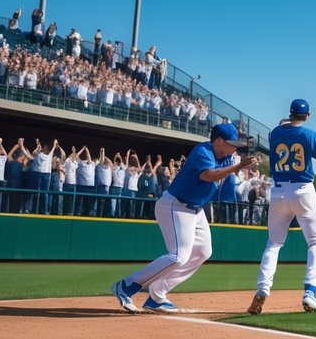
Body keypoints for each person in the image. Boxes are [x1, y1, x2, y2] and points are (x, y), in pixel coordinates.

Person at [110, 123, 259, 313]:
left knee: (203, 252)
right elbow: (208, 176)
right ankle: (126, 286)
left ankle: (157, 295)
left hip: (195, 210)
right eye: (232, 143)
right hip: (175, 205)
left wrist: (238, 165)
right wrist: (237, 166)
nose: (235, 147)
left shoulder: (226, 157)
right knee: (178, 256)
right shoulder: (203, 150)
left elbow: (225, 188)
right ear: (219, 141)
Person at [246, 100, 316, 315]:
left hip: (277, 192)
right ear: (306, 116)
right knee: (315, 241)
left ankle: (262, 289)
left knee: (274, 243)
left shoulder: (275, 133)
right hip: (303, 191)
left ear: (290, 113)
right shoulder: (309, 135)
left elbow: (284, 125)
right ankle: (310, 292)